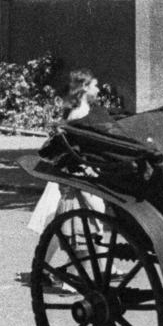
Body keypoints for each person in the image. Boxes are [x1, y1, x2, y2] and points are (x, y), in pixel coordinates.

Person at [27, 69, 110, 237]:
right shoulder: (79, 113)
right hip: (78, 170)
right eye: (95, 85)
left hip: (81, 168)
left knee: (62, 225)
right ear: (85, 87)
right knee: (59, 220)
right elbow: (77, 146)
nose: (98, 89)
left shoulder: (83, 110)